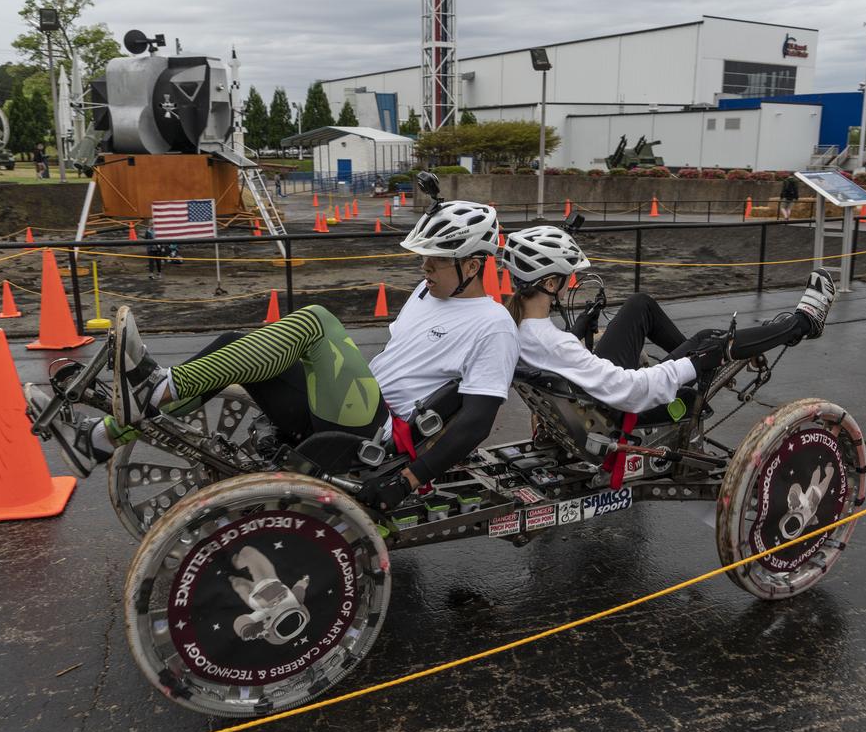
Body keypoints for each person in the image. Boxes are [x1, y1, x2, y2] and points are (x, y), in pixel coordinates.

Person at [27, 198, 519, 512]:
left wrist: (410, 480)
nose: (424, 266)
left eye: (436, 259)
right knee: (234, 348)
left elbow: (476, 422)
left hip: (379, 434)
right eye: (423, 257)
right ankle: (97, 439)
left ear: (474, 265)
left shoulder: (493, 325)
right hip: (345, 411)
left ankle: (156, 387)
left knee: (317, 320)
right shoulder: (425, 293)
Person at [500, 226, 837, 415]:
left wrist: (579, 328)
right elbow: (632, 391)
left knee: (639, 305)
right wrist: (694, 363)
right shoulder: (555, 343)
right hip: (613, 411)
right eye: (567, 278)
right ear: (549, 283)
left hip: (583, 396)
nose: (570, 283)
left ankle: (712, 362)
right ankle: (803, 323)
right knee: (710, 339)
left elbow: (561, 354)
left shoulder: (515, 326)